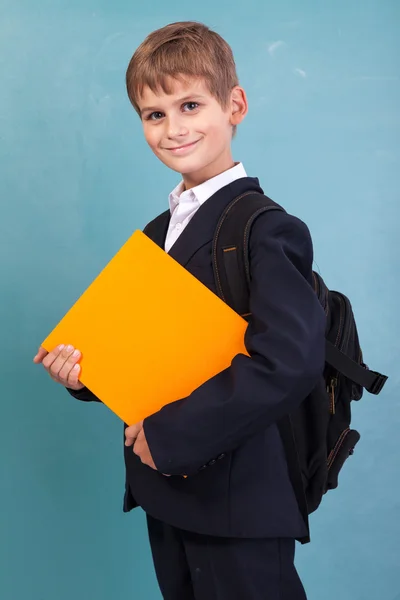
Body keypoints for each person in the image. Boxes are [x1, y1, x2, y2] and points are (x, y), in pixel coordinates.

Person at [34, 21, 326, 600]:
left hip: (238, 496)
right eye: (154, 114)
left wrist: (171, 435)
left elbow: (289, 362)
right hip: (168, 489)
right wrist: (83, 372)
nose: (174, 129)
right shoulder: (159, 231)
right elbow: (153, 351)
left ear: (234, 105)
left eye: (189, 104)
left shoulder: (266, 228)